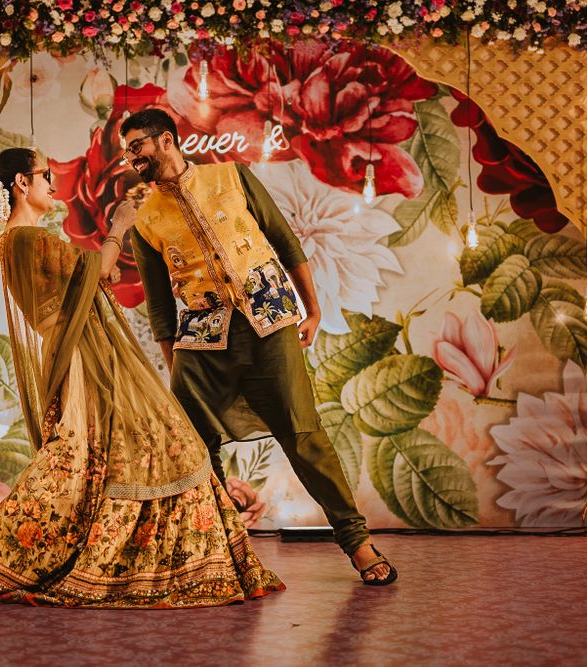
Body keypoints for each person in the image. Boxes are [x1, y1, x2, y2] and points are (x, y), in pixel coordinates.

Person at [0, 147, 284, 608]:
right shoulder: (23, 239)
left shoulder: (16, 242)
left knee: (105, 457)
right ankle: (66, 558)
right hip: (86, 360)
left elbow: (82, 282)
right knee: (105, 454)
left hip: (83, 354)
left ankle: (139, 558)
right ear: (21, 183)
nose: (53, 185)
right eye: (46, 175)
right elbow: (98, 272)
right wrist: (119, 226)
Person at [122, 109, 397, 586]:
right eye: (127, 151)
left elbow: (286, 243)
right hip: (201, 339)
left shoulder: (232, 177)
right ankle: (217, 551)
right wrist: (175, 368)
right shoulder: (145, 220)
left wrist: (312, 310)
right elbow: (161, 307)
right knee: (194, 442)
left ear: (165, 140)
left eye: (137, 147)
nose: (131, 159)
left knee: (302, 433)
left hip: (269, 321)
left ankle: (357, 542)